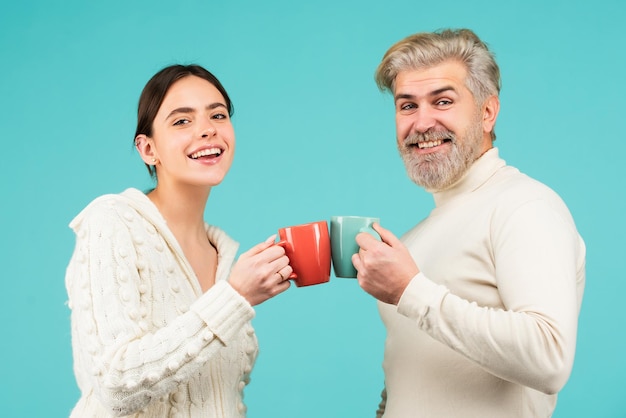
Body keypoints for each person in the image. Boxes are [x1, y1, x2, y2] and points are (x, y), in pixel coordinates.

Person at [351, 29, 586, 417]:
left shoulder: (525, 206)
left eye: (442, 101)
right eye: (407, 106)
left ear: (488, 112)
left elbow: (550, 356)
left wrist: (410, 291)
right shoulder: (417, 236)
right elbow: (414, 383)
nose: (422, 122)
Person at [64, 64, 292, 417]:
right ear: (147, 149)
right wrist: (234, 297)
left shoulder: (224, 255)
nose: (206, 130)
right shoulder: (111, 221)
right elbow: (115, 384)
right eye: (182, 121)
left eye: (217, 115)